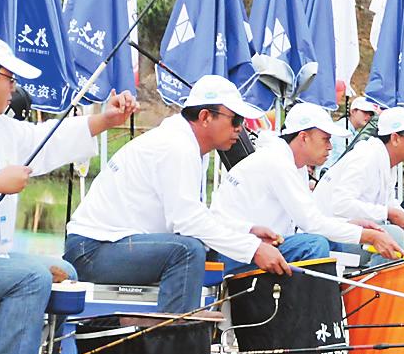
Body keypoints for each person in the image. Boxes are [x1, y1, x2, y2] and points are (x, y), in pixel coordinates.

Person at [0, 33, 138, 354]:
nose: (13, 87)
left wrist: (105, 119)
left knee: (62, 272)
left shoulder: (1, 128)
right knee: (31, 277)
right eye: (8, 77)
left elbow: (46, 141)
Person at [66, 76, 289, 314]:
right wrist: (253, 248)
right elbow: (186, 222)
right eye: (235, 119)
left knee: (200, 248)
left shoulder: (187, 145)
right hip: (92, 250)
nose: (240, 128)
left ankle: (188, 328)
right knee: (187, 250)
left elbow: (193, 214)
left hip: (112, 245)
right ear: (205, 117)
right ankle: (175, 336)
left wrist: (245, 231)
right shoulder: (177, 147)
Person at [211, 103, 402, 271]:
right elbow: (312, 223)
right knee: (314, 245)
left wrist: (350, 226)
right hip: (236, 251)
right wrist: (368, 236)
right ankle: (315, 311)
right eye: (325, 139)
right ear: (303, 137)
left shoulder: (295, 166)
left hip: (260, 244)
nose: (330, 146)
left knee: (327, 242)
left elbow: (309, 220)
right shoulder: (278, 162)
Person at [314, 106, 404, 249]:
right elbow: (341, 204)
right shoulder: (366, 157)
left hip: (353, 231)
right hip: (331, 236)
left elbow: (389, 203)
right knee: (394, 235)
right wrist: (387, 213)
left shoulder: (387, 161)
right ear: (395, 138)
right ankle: (381, 272)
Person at [325, 96, 381, 169]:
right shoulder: (341, 129)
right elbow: (339, 160)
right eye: (365, 112)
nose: (368, 116)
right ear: (352, 111)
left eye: (371, 114)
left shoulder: (356, 133)